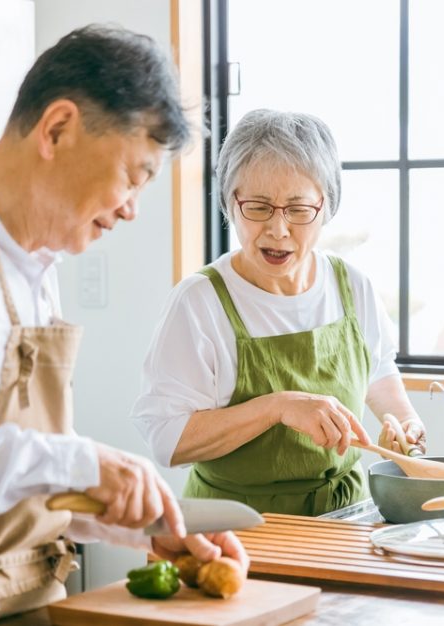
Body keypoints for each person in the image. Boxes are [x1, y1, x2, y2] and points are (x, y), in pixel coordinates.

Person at [0, 25, 247, 625]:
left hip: (22, 595)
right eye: (134, 175)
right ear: (58, 129)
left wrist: (140, 528)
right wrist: (79, 462)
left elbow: (1, 482)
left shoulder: (37, 269)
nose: (131, 208)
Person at [131, 109, 427, 516]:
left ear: (326, 208)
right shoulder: (200, 302)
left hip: (346, 516)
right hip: (234, 524)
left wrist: (403, 425)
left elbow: (378, 371)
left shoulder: (352, 285)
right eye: (258, 206)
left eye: (298, 208)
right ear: (229, 204)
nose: (278, 229)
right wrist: (278, 406)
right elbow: (168, 439)